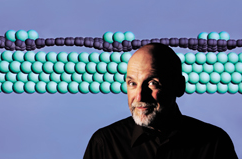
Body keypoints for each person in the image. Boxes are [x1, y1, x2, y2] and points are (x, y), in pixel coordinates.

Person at [83, 43, 238, 159]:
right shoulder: (104, 143)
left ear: (179, 86)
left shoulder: (215, 144)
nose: (139, 97)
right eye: (132, 83)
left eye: (152, 83)